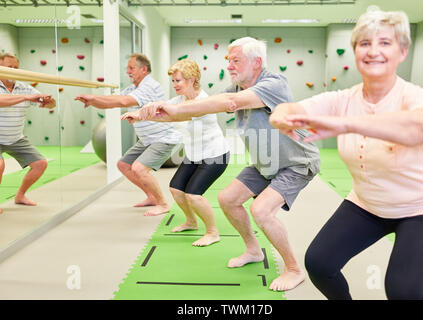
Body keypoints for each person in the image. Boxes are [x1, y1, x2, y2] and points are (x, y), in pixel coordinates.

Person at [269, 10, 423, 300]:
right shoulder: (342, 99)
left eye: (385, 43)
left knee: (404, 291)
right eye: (364, 43)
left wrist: (343, 124)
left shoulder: (415, 96)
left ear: (402, 51)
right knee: (319, 264)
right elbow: (286, 110)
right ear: (354, 51)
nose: (373, 51)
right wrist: (284, 118)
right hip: (368, 203)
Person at [123, 37, 321, 291]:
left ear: (256, 62)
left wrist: (168, 108)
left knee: (261, 210)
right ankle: (253, 250)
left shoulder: (273, 83)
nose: (229, 66)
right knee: (228, 199)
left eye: (236, 60)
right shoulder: (238, 87)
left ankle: (294, 269)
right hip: (265, 163)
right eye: (228, 61)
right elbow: (197, 110)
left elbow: (229, 103)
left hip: (295, 163)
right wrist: (152, 113)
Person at [123, 59, 230, 246]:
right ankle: (191, 221)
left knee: (194, 195)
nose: (174, 85)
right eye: (173, 81)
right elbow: (165, 108)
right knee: (176, 189)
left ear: (192, 80)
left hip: (215, 155)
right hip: (194, 154)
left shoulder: (203, 102)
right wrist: (139, 114)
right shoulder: (179, 100)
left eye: (178, 81)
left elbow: (176, 114)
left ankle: (213, 232)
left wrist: (150, 113)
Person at [75, 53, 182, 216]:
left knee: (139, 169)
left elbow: (123, 102)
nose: (128, 71)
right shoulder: (134, 88)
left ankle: (163, 203)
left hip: (163, 138)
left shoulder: (149, 86)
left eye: (131, 68)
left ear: (144, 69)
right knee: (123, 165)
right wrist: (92, 101)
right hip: (147, 139)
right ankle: (151, 197)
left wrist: (94, 97)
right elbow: (113, 101)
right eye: (128, 68)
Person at [0, 53, 56, 214]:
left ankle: (20, 196)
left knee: (40, 164)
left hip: (16, 137)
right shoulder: (24, 92)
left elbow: (49, 105)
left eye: (16, 68)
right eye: (9, 67)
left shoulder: (23, 86)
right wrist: (26, 97)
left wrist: (48, 101)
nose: (13, 70)